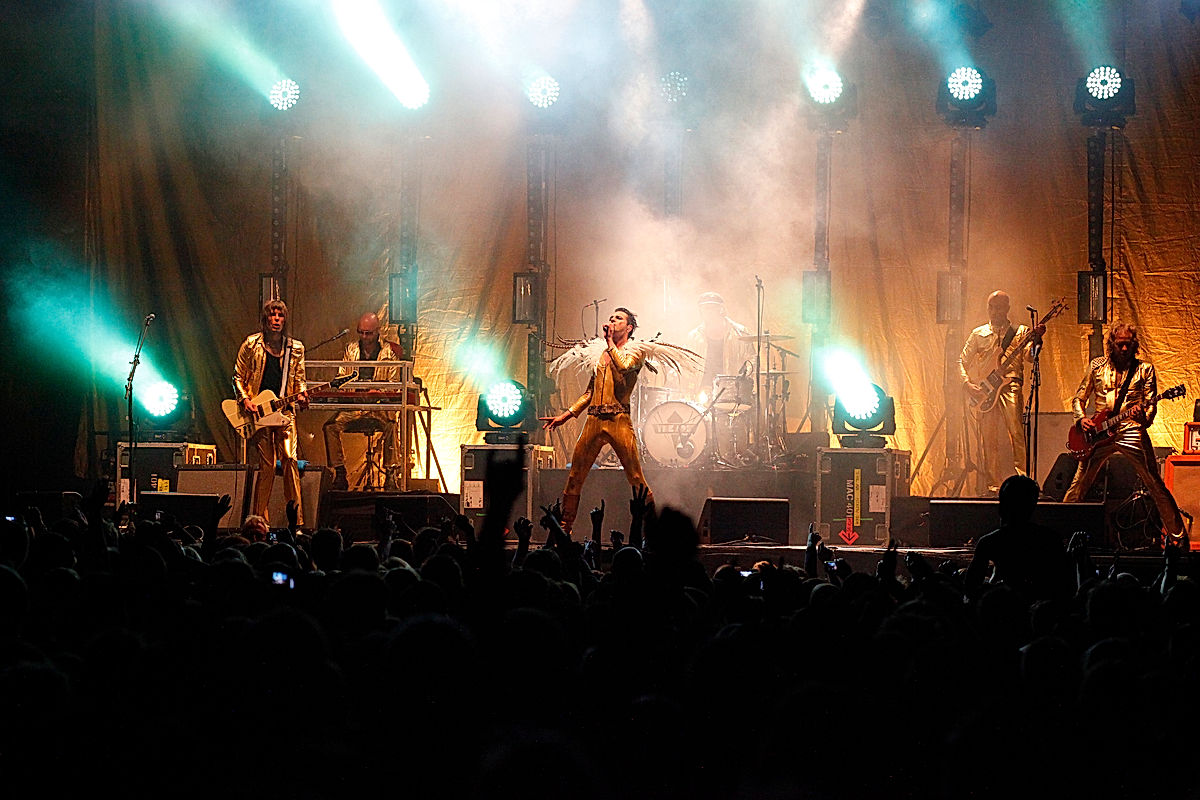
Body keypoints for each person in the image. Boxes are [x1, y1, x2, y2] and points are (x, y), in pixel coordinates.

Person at [1063, 323, 1186, 547]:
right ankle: (1061, 533)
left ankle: (1179, 538)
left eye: (1128, 345)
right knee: (1079, 482)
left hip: (1130, 429)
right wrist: (1082, 419)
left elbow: (1150, 405)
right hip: (1098, 434)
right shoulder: (1096, 366)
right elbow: (1078, 399)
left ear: (1134, 345)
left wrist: (1143, 418)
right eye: (1119, 345)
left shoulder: (1145, 369)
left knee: (1154, 482)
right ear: (1111, 345)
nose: (1124, 349)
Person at [542, 308, 654, 534]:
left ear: (629, 327)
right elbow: (589, 392)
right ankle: (564, 529)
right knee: (575, 475)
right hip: (594, 420)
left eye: (619, 318)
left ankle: (653, 530)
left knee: (635, 476)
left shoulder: (636, 351)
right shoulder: (601, 355)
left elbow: (623, 366)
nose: (612, 320)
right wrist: (566, 415)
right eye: (612, 317)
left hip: (618, 419)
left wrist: (610, 343)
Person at [958, 290, 1045, 496]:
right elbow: (961, 360)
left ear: (1007, 308)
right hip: (986, 391)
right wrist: (966, 384)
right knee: (989, 437)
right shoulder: (978, 333)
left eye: (1000, 307)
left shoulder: (1021, 331)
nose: (995, 311)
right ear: (988, 308)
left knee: (1016, 432)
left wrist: (1038, 341)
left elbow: (1030, 358)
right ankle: (992, 485)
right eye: (992, 306)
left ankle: (1023, 479)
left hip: (1011, 385)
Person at [233, 299, 308, 525]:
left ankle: (297, 522)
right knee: (266, 467)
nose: (276, 320)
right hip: (260, 413)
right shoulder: (251, 344)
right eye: (272, 315)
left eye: (280, 316)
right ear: (265, 319)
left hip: (284, 412)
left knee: (290, 459)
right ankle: (258, 521)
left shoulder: (295, 348)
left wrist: (302, 394)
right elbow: (237, 376)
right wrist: (245, 399)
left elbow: (300, 379)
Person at [322, 312, 405, 491]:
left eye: (368, 333)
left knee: (391, 424)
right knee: (330, 426)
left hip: (378, 408)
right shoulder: (351, 349)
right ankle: (340, 472)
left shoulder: (388, 353)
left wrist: (377, 392)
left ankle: (391, 473)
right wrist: (349, 391)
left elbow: (394, 384)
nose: (364, 337)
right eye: (361, 332)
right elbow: (341, 377)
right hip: (355, 406)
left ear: (378, 331)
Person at [963, 475, 1069, 602]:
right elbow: (1065, 586)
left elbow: (971, 588)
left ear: (1002, 506)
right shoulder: (1051, 539)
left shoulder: (990, 541)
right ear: (1033, 506)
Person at [686, 292, 753, 400]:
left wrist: (743, 380)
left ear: (721, 309)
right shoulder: (694, 336)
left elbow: (752, 359)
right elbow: (686, 362)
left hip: (731, 391)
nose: (708, 312)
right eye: (705, 308)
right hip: (702, 390)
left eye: (712, 308)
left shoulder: (739, 332)